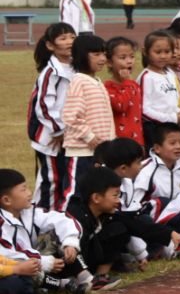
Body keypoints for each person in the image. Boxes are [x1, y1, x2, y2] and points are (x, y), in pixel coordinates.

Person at [0, 168, 91, 294]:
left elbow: (63, 219)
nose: (29, 193)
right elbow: (8, 256)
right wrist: (43, 262)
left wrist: (69, 243)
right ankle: (63, 285)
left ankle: (86, 277)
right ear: (6, 200)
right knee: (27, 268)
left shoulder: (29, 212)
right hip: (13, 266)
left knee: (62, 236)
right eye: (23, 189)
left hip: (33, 259)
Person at [28, 22, 77, 212]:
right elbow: (44, 106)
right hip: (51, 139)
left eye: (72, 37)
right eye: (63, 38)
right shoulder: (50, 73)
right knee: (51, 182)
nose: (69, 42)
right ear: (50, 45)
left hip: (69, 136)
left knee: (66, 180)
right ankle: (40, 224)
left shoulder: (76, 67)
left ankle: (60, 222)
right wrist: (58, 130)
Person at [61, 34, 114, 193]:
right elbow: (71, 117)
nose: (103, 58)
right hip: (81, 152)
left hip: (99, 153)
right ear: (82, 56)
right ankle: (67, 218)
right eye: (96, 54)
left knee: (94, 194)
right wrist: (89, 137)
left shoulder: (96, 81)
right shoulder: (79, 81)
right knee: (75, 193)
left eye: (104, 53)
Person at [64, 167, 128, 291]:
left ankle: (100, 276)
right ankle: (89, 280)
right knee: (71, 247)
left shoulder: (103, 212)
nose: (118, 200)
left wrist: (169, 234)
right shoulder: (76, 215)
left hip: (85, 260)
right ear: (96, 198)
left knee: (118, 228)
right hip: (65, 262)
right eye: (115, 195)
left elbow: (134, 224)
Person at [131, 122, 180, 218]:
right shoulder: (146, 170)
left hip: (178, 218)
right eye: (172, 143)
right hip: (151, 222)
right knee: (163, 202)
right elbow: (134, 203)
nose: (178, 147)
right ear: (157, 148)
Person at [138, 31, 180, 148]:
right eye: (158, 52)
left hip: (172, 126)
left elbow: (174, 99)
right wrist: (171, 118)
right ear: (145, 51)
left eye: (167, 51)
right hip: (155, 129)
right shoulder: (147, 77)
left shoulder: (170, 73)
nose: (163, 56)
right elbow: (144, 110)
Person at [104, 36, 143, 147]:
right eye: (123, 57)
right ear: (109, 62)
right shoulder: (108, 87)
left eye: (132, 57)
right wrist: (126, 82)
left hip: (137, 140)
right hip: (119, 143)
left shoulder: (133, 85)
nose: (129, 61)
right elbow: (120, 105)